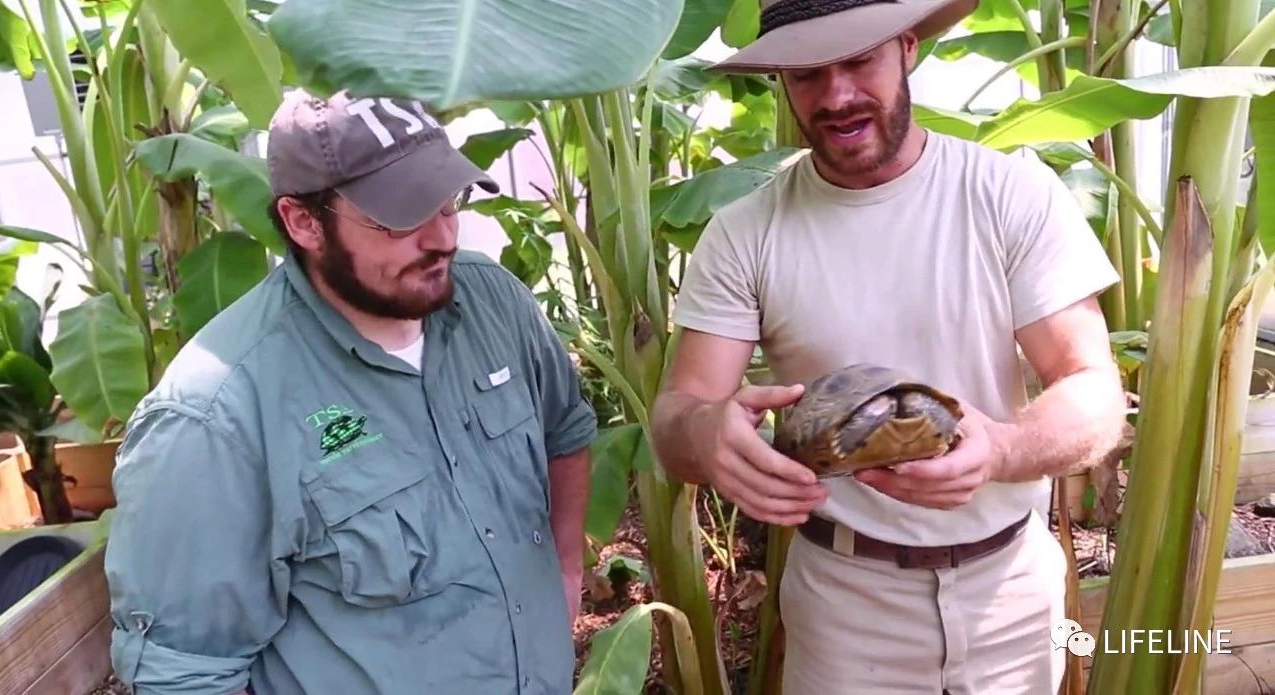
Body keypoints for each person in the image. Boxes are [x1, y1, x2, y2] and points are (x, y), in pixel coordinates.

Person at [648, 0, 1131, 693]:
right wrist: (706, 435)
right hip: (845, 606)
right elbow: (678, 415)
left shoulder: (1009, 194)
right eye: (810, 73)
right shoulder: (745, 232)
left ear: (907, 47)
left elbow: (1092, 386)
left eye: (858, 60)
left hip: (1010, 594)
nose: (837, 95)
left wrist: (999, 449)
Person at [103, 88, 598, 694]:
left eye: (448, 201)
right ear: (303, 222)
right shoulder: (216, 416)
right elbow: (186, 673)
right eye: (400, 218)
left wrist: (566, 570)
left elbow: (564, 430)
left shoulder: (492, 300)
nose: (441, 237)